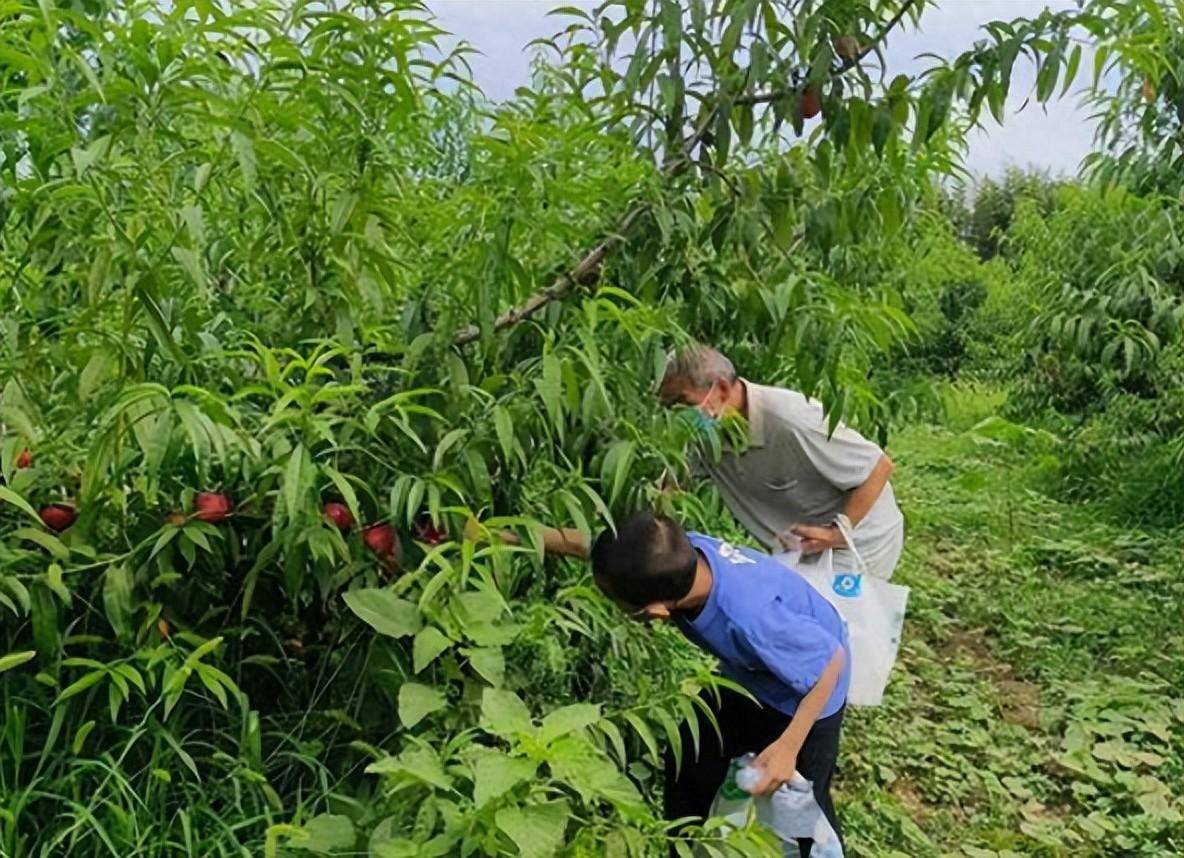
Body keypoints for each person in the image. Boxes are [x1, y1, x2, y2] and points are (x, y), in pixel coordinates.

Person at [589, 510, 849, 857]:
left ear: (656, 612)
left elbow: (830, 661)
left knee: (799, 807)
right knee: (691, 755)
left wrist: (787, 747)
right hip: (748, 676)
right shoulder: (676, 557)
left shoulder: (749, 617)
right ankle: (682, 844)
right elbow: (608, 557)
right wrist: (519, 537)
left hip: (805, 695)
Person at [657, 345, 903, 581]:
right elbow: (673, 487)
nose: (676, 415)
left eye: (682, 401)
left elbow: (879, 466)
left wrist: (838, 534)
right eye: (668, 406)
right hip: (798, 549)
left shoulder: (792, 420)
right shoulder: (703, 433)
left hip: (858, 540)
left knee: (835, 618)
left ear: (721, 388)